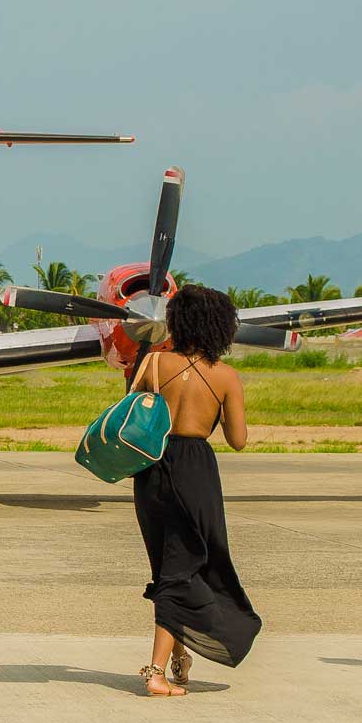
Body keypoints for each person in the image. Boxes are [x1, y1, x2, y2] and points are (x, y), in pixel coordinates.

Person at [127, 285, 257, 696]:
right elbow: (238, 440)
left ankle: (181, 656)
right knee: (182, 569)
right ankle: (156, 671)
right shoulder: (225, 377)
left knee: (167, 566)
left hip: (151, 468)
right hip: (195, 470)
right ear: (220, 326)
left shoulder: (152, 363)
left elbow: (132, 413)